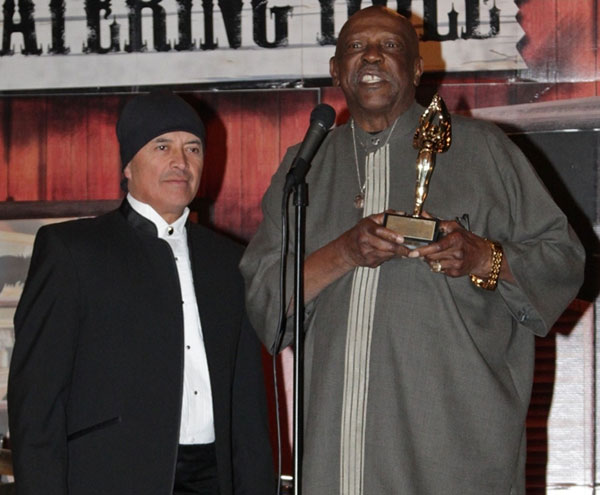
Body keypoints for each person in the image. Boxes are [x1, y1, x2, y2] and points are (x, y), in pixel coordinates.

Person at [239, 6, 585, 495]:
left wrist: (482, 257)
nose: (371, 56)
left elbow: (563, 260)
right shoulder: (306, 167)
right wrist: (345, 253)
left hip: (452, 449)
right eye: (356, 47)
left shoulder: (482, 150)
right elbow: (265, 301)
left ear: (418, 68)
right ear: (335, 70)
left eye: (390, 46)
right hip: (335, 454)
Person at [8, 91, 275, 495]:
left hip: (214, 478)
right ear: (128, 166)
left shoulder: (229, 262)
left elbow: (248, 408)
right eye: (162, 146)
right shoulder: (73, 251)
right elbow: (36, 402)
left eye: (193, 148)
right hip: (110, 478)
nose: (181, 162)